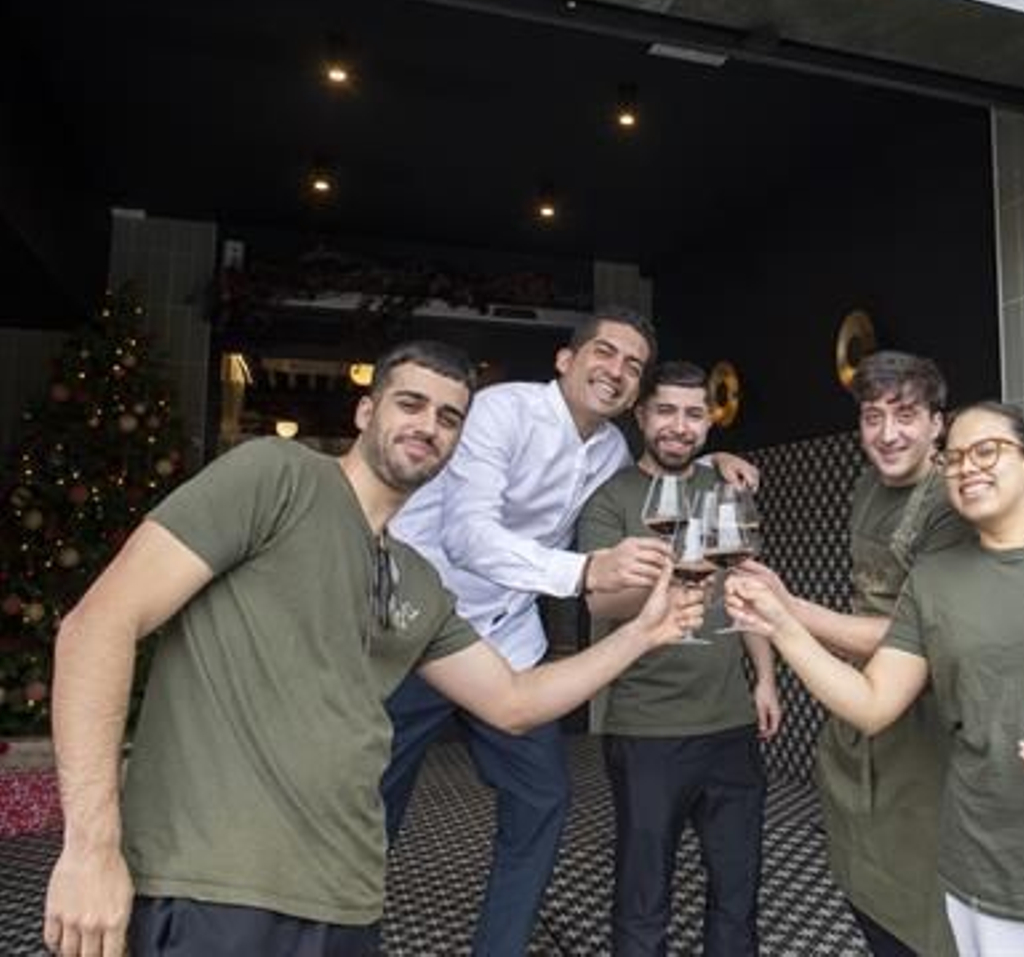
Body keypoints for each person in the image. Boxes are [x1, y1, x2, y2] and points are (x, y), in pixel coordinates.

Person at [41, 340, 704, 957]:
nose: (429, 426)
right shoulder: (278, 476)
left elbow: (513, 701)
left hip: (348, 903)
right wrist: (91, 848)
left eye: (449, 417)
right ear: (366, 409)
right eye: (410, 403)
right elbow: (97, 625)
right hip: (215, 888)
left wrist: (645, 632)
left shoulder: (416, 579)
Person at [728, 401, 1024, 957]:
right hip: (989, 872)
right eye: (952, 460)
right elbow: (872, 702)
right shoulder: (933, 582)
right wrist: (782, 625)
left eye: (987, 451)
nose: (967, 468)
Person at [381, 308, 757, 957]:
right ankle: (333, 937)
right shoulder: (502, 411)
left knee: (543, 796)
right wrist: (584, 570)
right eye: (605, 353)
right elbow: (466, 536)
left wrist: (710, 457)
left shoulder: (611, 449)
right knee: (369, 804)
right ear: (565, 359)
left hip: (506, 640)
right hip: (417, 626)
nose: (616, 370)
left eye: (632, 365)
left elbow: (663, 466)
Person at [737, 350, 967, 957]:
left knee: (924, 889)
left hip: (930, 718)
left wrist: (789, 611)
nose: (887, 434)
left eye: (906, 415)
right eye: (872, 417)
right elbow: (872, 611)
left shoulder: (951, 502)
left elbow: (920, 632)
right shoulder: (867, 484)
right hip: (862, 708)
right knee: (858, 867)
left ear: (938, 423)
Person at [576, 359, 782, 956]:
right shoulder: (610, 498)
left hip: (731, 726)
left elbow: (746, 592)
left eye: (694, 414)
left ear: (709, 426)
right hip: (647, 730)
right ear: (641, 415)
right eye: (665, 410)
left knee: (738, 891)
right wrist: (680, 575)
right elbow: (600, 602)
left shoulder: (724, 489)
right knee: (644, 896)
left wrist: (764, 679)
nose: (679, 426)